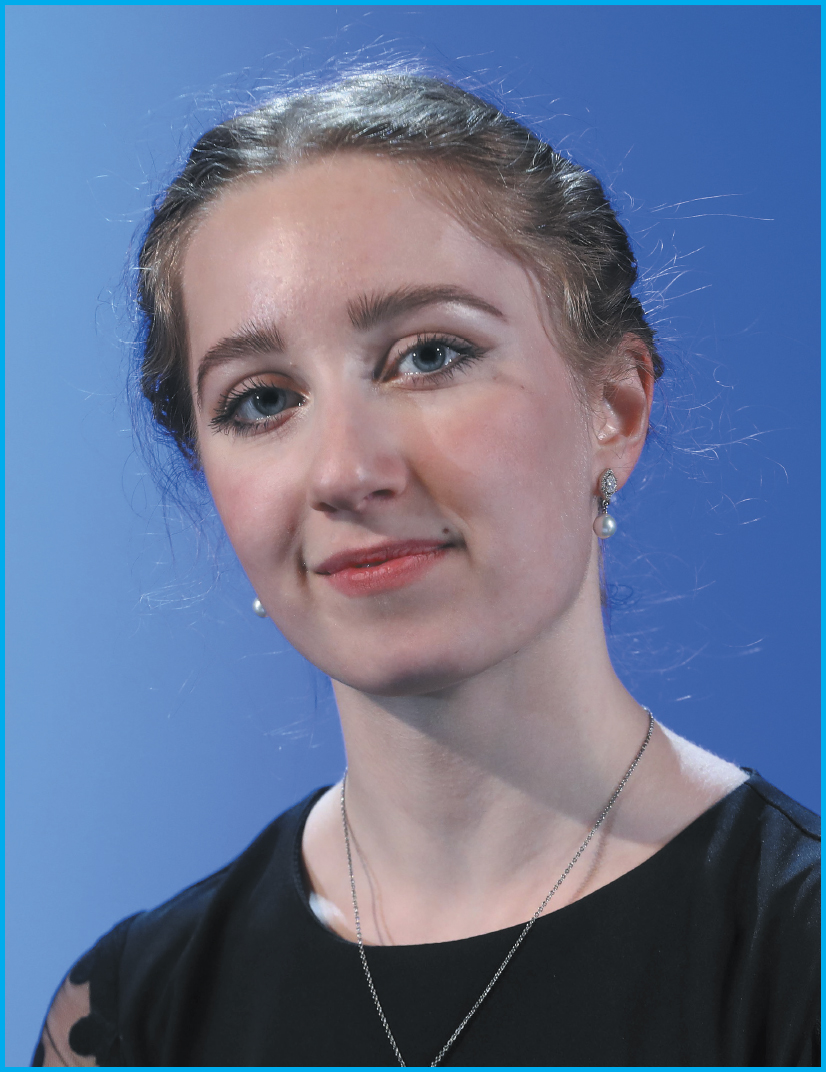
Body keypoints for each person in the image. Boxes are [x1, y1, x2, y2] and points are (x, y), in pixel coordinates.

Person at [33, 71, 818, 1068]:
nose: (346, 472)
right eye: (262, 400)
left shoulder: (794, 954)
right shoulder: (128, 1016)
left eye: (430, 355)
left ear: (614, 409)